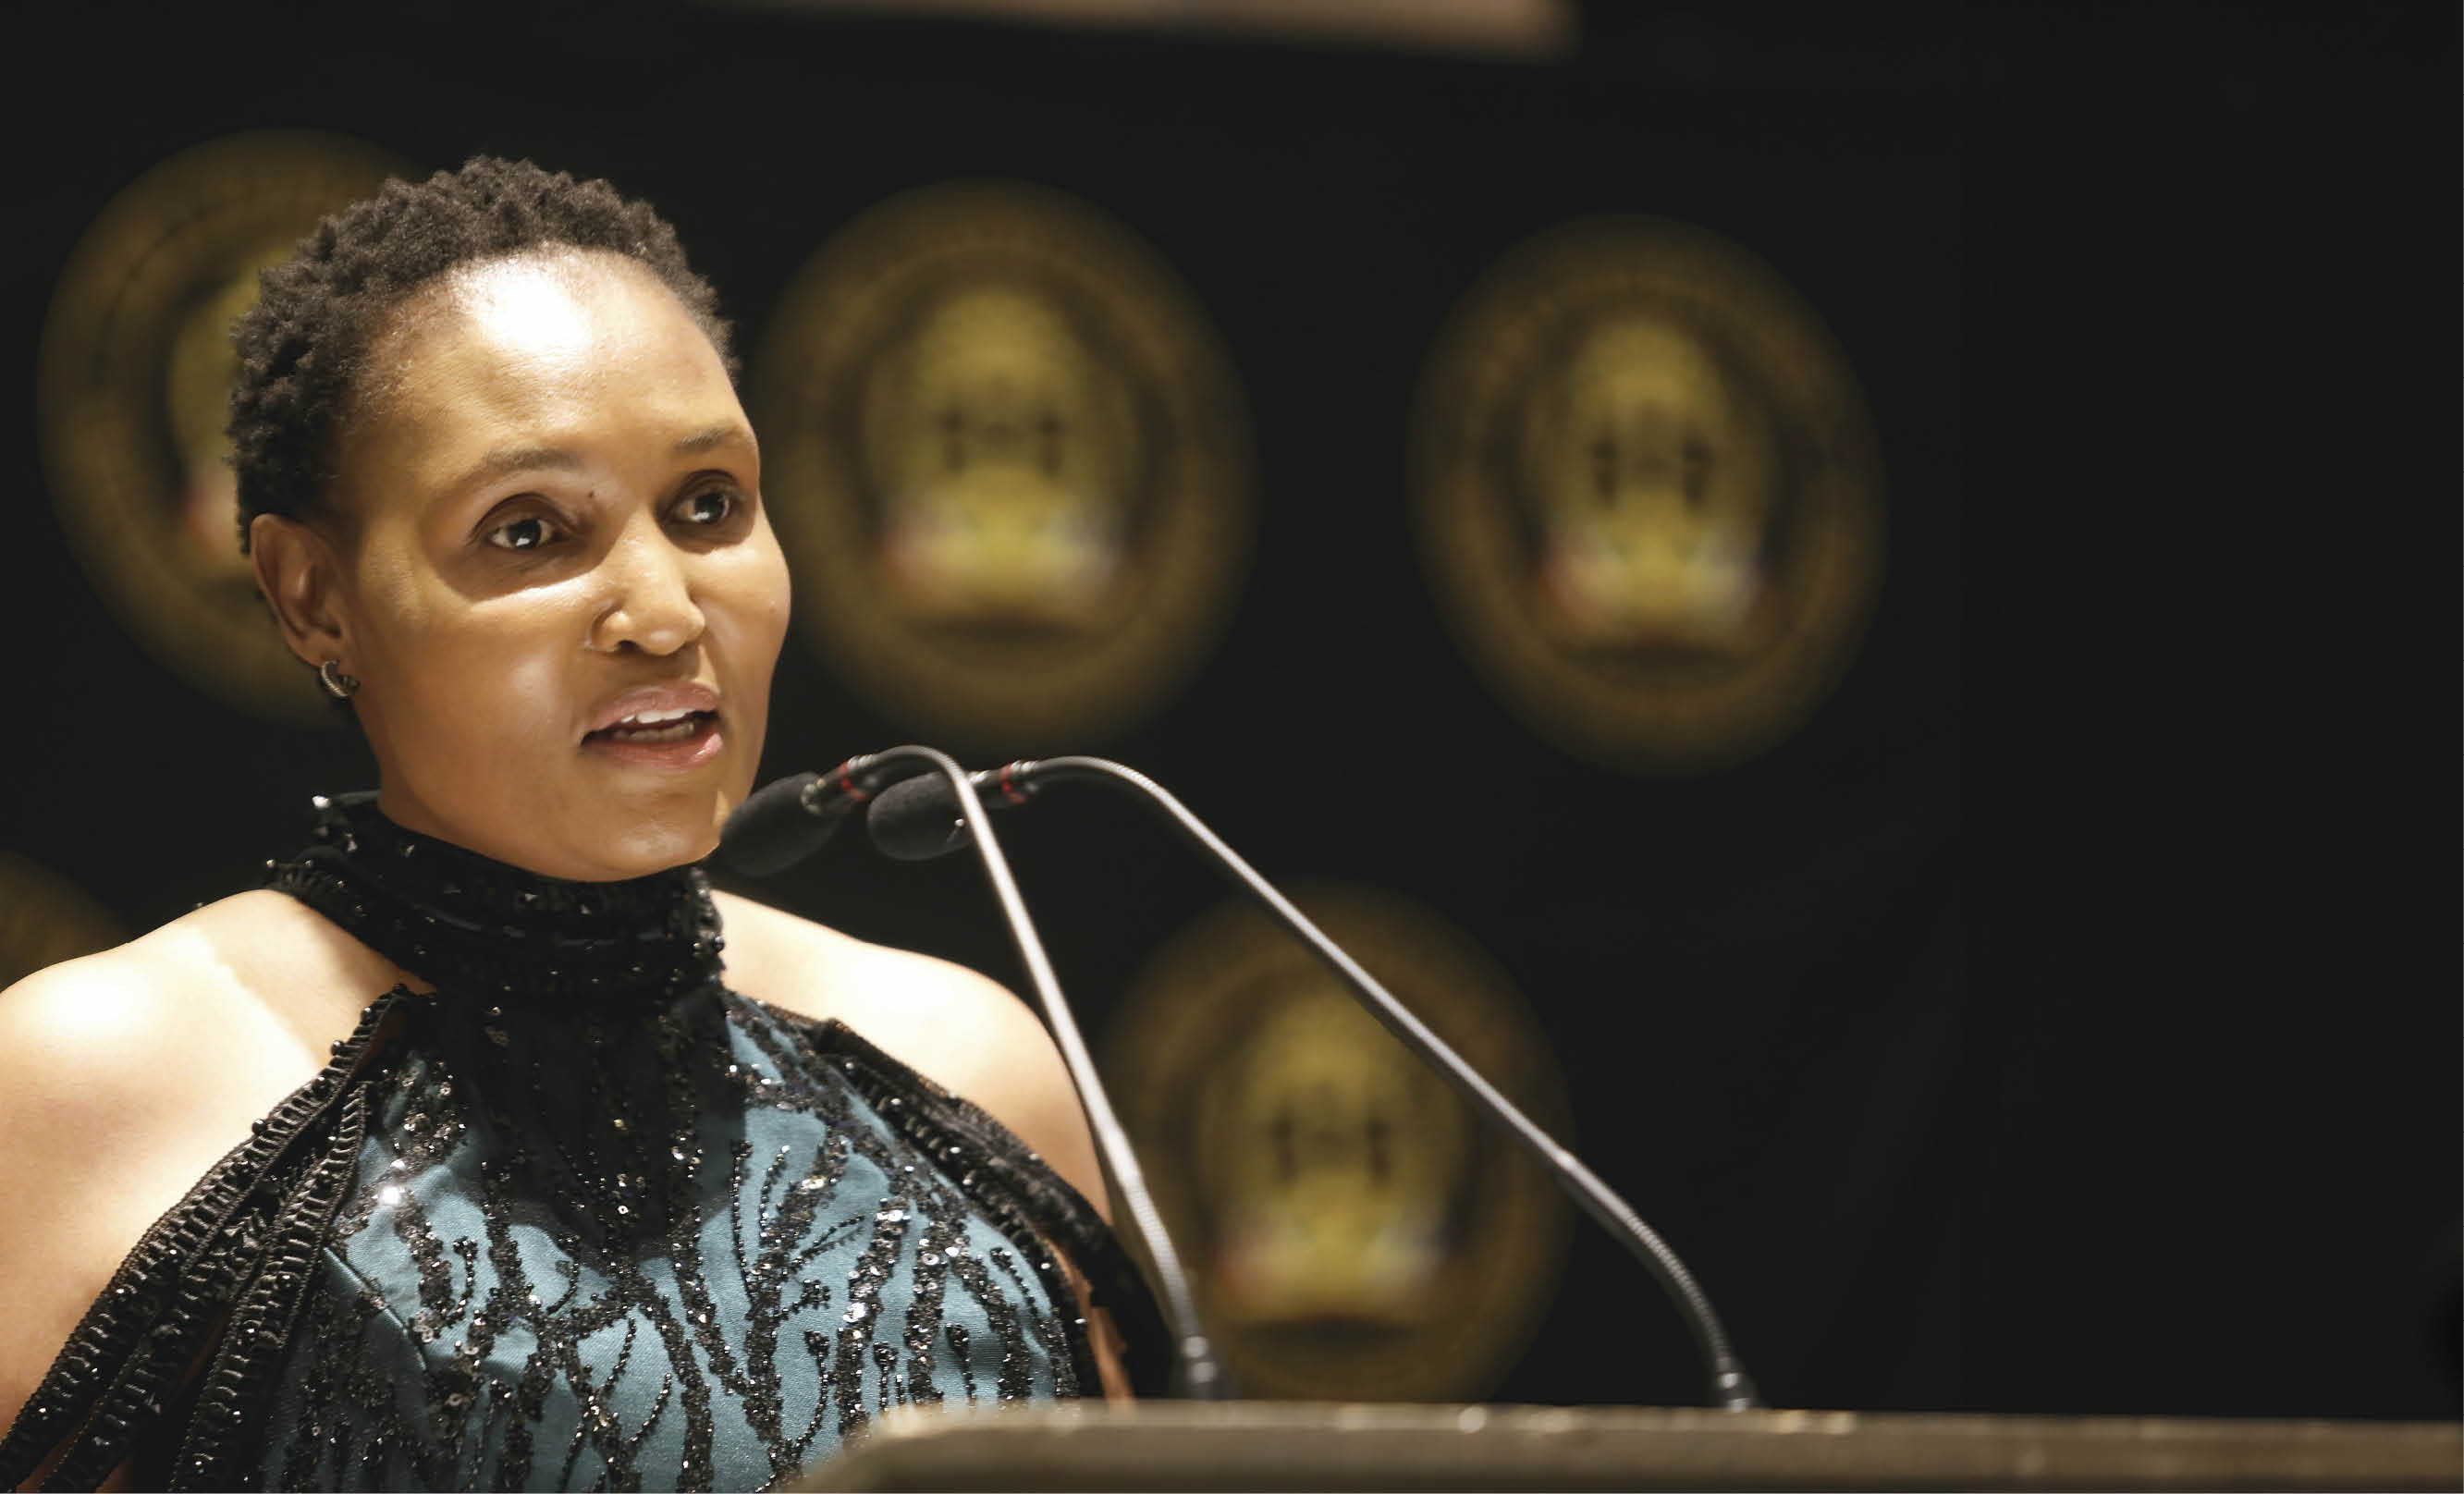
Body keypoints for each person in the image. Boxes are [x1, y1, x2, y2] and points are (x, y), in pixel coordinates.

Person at [0, 157, 1158, 1491]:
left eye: (708, 505)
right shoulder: (84, 1080)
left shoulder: (967, 1068)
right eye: (532, 530)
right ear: (312, 594)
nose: (662, 612)